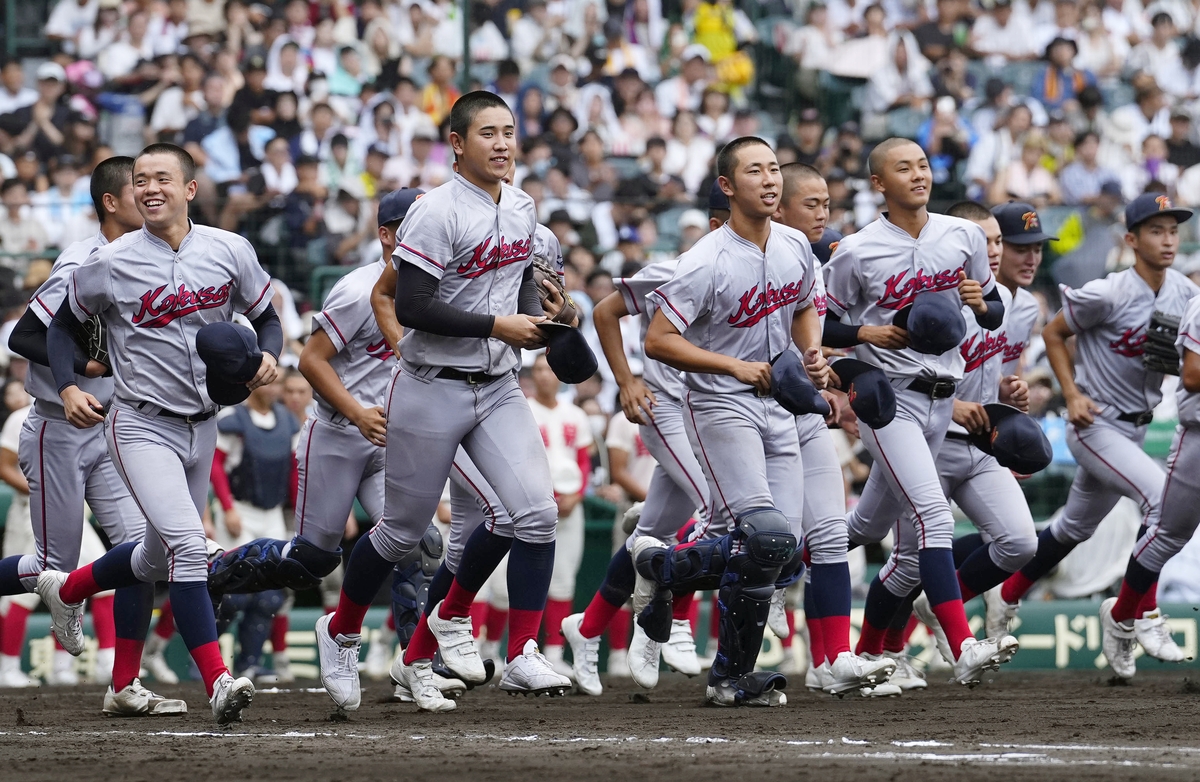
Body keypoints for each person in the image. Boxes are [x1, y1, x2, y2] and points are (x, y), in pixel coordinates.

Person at [316, 92, 570, 714]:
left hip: (497, 386)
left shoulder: (524, 208)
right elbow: (412, 307)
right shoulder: (434, 211)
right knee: (402, 535)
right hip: (430, 385)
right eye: (488, 133)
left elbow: (520, 296)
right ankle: (341, 630)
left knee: (535, 515)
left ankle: (519, 651)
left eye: (509, 131)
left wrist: (552, 312)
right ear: (457, 143)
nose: (503, 144)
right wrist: (498, 326)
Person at [36, 143, 282, 725]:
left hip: (204, 426)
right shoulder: (110, 260)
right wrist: (69, 386)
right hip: (140, 422)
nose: (150, 188)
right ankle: (217, 680)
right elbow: (57, 327)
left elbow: (268, 315)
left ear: (189, 189)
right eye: (141, 179)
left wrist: (269, 354)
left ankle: (68, 590)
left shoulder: (229, 249)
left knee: (150, 557)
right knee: (187, 547)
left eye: (162, 178)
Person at [635, 136, 829, 707]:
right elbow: (659, 340)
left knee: (785, 552)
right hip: (721, 404)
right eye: (754, 171)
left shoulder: (795, 243)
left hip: (779, 405)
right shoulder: (704, 260)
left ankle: (660, 567)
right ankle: (729, 676)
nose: (770, 180)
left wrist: (812, 351)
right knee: (764, 539)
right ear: (727, 186)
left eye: (773, 169)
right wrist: (735, 368)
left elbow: (805, 306)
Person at [823, 138, 1016, 687]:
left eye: (924, 165)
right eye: (903, 168)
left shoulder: (963, 235)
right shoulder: (858, 250)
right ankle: (962, 645)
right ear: (879, 184)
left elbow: (994, 311)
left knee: (874, 532)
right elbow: (822, 324)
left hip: (943, 401)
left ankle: (858, 652)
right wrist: (866, 332)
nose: (919, 174)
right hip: (893, 398)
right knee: (934, 517)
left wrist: (982, 302)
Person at [2, 155, 184, 715]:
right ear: (111, 202)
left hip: (112, 430)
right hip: (57, 426)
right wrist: (82, 366)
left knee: (138, 556)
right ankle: (67, 600)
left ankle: (124, 685)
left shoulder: (146, 258)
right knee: (49, 568)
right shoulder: (82, 258)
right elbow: (25, 336)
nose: (150, 196)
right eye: (138, 189)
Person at [995, 193, 1199, 672]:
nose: (1167, 239)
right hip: (1095, 424)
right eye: (1155, 230)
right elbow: (1053, 334)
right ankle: (1138, 614)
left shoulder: (1183, 294)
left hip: (1135, 427)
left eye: (1172, 230)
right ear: (1130, 239)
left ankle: (1006, 595)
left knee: (1073, 527)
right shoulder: (1109, 291)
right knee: (1159, 504)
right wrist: (1072, 393)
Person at [860, 201, 1044, 671]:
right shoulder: (926, 298)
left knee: (1020, 542)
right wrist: (950, 401)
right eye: (986, 241)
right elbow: (897, 363)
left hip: (980, 448)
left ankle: (939, 609)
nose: (996, 251)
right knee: (904, 561)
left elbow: (999, 368)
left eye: (999, 241)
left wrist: (1010, 390)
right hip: (930, 436)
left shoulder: (1015, 307)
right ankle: (879, 652)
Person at [772, 163, 897, 696]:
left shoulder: (820, 264)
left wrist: (835, 385)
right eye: (811, 203)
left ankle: (831, 660)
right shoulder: (757, 259)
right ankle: (660, 570)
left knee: (827, 536)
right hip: (748, 411)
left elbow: (819, 345)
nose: (823, 212)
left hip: (802, 411)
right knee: (757, 540)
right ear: (778, 207)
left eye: (827, 203)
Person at [1100, 292, 1200, 677]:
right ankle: (1123, 615)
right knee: (1167, 535)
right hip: (1197, 437)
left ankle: (1123, 614)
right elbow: (1191, 374)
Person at [209, 377, 298, 681]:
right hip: (239, 509)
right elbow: (216, 465)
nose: (273, 390)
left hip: (271, 512)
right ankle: (207, 662)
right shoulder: (233, 419)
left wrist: (300, 512)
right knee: (233, 591)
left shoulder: (287, 421)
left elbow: (293, 472)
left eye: (277, 385)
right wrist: (228, 508)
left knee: (271, 593)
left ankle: (250, 662)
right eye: (268, 384)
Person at [525, 353, 593, 676]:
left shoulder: (576, 414)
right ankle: (514, 648)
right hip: (530, 504)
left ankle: (554, 651)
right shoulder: (522, 409)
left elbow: (584, 460)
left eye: (549, 368)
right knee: (516, 579)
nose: (544, 375)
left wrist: (576, 495)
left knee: (563, 579)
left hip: (569, 508)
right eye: (538, 369)